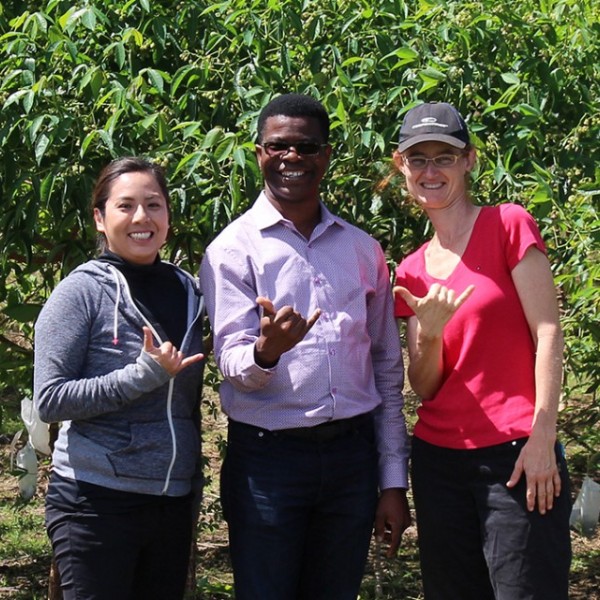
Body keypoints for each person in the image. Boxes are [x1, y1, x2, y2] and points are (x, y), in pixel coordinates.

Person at [199, 93, 411, 600]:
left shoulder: (363, 249)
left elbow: (385, 367)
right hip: (270, 462)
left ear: (326, 155)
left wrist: (392, 480)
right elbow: (230, 360)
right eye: (278, 147)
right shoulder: (232, 250)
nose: (292, 158)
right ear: (258, 153)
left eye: (306, 147)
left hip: (351, 458)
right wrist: (266, 352)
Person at [391, 102, 572, 600]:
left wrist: (543, 437)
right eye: (418, 158)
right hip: (438, 463)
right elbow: (424, 385)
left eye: (444, 157)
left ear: (468, 161)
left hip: (518, 454)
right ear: (400, 166)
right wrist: (429, 331)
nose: (431, 171)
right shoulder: (410, 271)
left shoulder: (509, 225)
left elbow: (549, 333)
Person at [33, 157, 205, 600]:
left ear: (169, 214)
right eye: (125, 206)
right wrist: (141, 376)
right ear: (100, 217)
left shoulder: (189, 291)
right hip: (95, 501)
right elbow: (50, 399)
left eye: (154, 204)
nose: (142, 218)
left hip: (171, 498)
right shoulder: (81, 292)